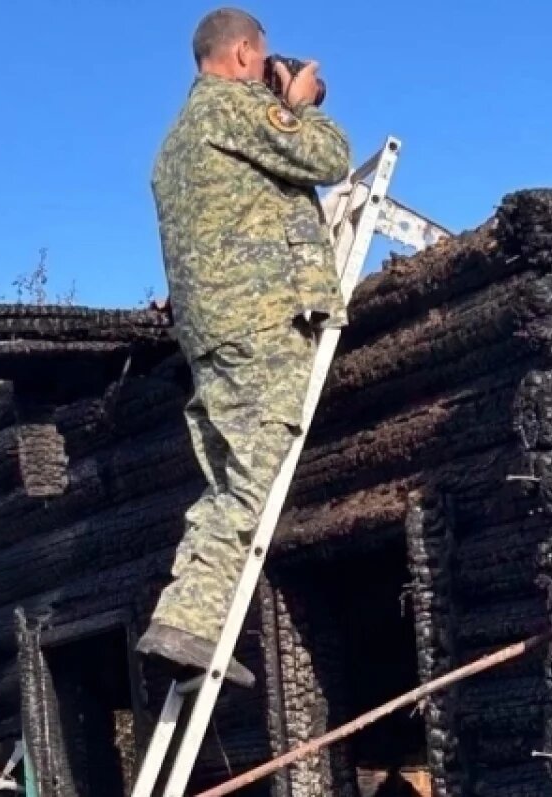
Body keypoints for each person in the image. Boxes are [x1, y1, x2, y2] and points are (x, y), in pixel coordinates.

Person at [135, 7, 351, 688]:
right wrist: (299, 105)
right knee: (256, 476)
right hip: (259, 321)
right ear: (240, 56)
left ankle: (185, 615)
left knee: (228, 482)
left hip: (210, 331)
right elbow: (330, 157)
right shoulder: (229, 110)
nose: (264, 74)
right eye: (260, 64)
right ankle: (190, 622)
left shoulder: (172, 146)